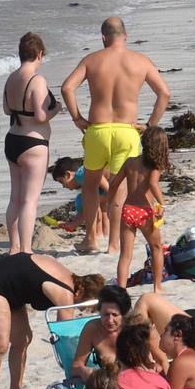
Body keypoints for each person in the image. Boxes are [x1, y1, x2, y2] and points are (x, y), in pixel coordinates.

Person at [60, 17, 171, 253]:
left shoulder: (92, 60)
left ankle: (90, 238)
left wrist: (77, 118)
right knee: (119, 188)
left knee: (90, 186)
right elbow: (164, 93)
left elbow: (67, 87)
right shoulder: (140, 61)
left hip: (97, 131)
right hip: (126, 131)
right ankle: (113, 244)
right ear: (126, 36)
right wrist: (150, 125)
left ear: (103, 38)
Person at [0, 255, 106, 389]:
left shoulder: (71, 279)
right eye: (84, 304)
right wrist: (79, 366)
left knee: (22, 340)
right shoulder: (66, 293)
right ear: (81, 290)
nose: (82, 309)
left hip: (12, 287)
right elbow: (64, 335)